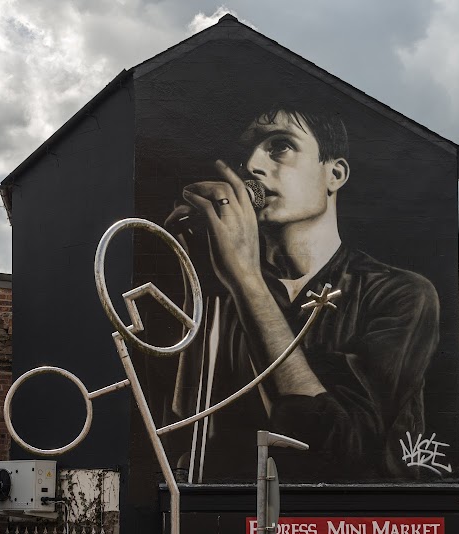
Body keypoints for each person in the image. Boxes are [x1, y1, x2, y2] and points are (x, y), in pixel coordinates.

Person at [165, 104, 440, 482]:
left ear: (335, 174)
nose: (252, 165)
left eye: (280, 146)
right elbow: (184, 430)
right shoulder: (228, 291)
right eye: (245, 154)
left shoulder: (401, 294)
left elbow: (340, 446)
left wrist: (245, 280)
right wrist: (199, 284)